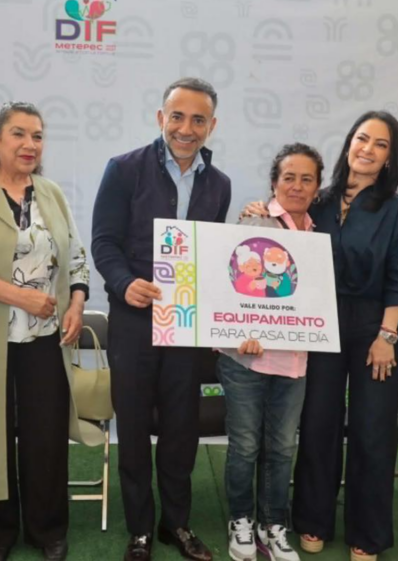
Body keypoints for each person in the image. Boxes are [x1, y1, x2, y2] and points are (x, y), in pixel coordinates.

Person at [0, 102, 102, 561]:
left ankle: (47, 529)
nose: (30, 145)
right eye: (18, 134)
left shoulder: (51, 193)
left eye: (38, 136)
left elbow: (76, 256)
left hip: (45, 339)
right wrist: (22, 297)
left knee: (45, 437)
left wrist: (76, 303)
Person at [91, 77, 231, 561]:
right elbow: (104, 242)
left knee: (181, 429)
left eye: (198, 120)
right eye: (177, 116)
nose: (186, 128)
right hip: (133, 321)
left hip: (186, 324)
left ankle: (176, 524)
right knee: (132, 428)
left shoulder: (219, 185)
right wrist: (122, 282)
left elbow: (212, 255)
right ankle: (140, 530)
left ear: (212, 125)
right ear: (160, 118)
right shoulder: (123, 169)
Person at [290, 111, 398, 561]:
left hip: (375, 326)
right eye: (363, 138)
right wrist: (258, 212)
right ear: (349, 143)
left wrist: (387, 336)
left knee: (372, 429)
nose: (368, 149)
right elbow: (285, 238)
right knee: (318, 423)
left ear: (390, 158)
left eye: (381, 144)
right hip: (320, 324)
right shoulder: (319, 201)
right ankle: (312, 520)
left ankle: (367, 532)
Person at [220, 144, 323, 561]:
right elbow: (231, 286)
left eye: (306, 179)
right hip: (246, 358)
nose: (297, 186)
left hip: (294, 360)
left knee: (281, 448)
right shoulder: (254, 220)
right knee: (245, 445)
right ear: (274, 182)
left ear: (318, 187)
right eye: (288, 178)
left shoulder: (318, 234)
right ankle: (241, 520)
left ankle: (273, 524)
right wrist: (240, 331)